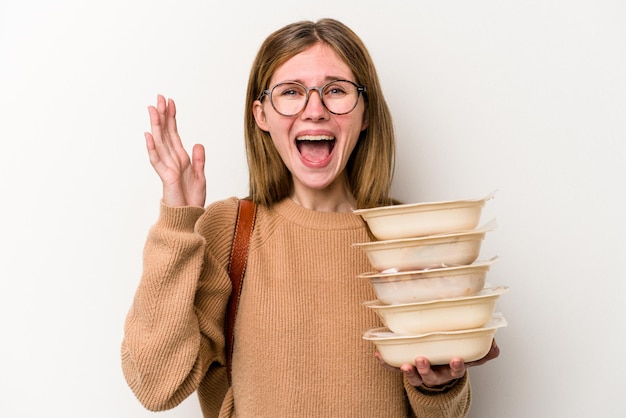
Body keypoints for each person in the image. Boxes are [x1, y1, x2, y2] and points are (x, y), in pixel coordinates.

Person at [121, 18, 499, 418]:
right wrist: (177, 222)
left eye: (336, 90)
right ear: (261, 115)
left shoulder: (407, 236)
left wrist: (441, 387)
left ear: (365, 113)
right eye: (291, 92)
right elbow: (155, 386)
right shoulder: (229, 229)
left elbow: (444, 413)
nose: (314, 111)